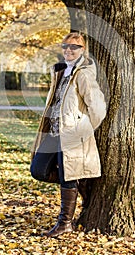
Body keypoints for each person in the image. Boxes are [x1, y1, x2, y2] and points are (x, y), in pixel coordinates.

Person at [30, 32, 107, 237]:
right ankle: (78, 182)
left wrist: (83, 128)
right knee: (38, 170)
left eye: (74, 47)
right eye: (65, 46)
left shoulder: (83, 74)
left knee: (67, 175)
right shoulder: (60, 71)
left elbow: (98, 107)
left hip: (72, 134)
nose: (68, 50)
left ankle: (64, 223)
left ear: (83, 50)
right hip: (54, 132)